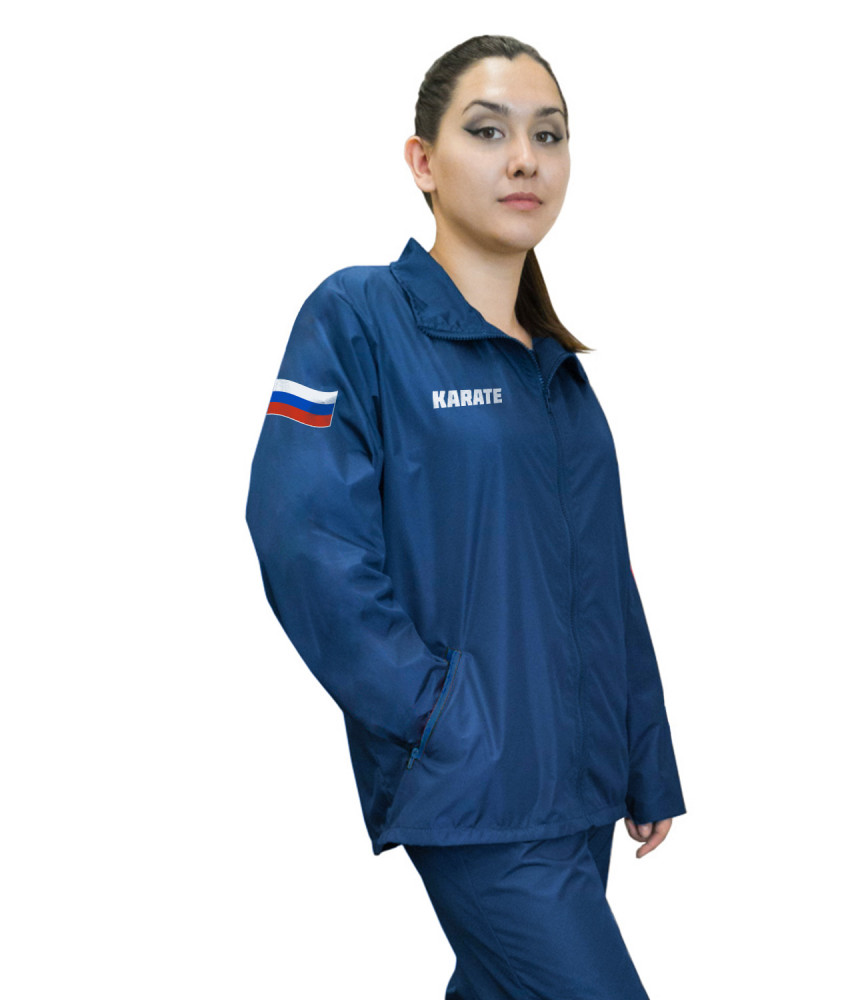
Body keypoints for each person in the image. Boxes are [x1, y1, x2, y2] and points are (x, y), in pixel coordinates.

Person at [246, 34, 686, 1000]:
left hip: (577, 786)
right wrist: (437, 717)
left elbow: (602, 576)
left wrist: (645, 753)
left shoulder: (555, 372)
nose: (524, 158)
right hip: (477, 784)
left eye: (548, 135)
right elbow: (303, 539)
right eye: (488, 131)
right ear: (423, 162)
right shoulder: (358, 318)